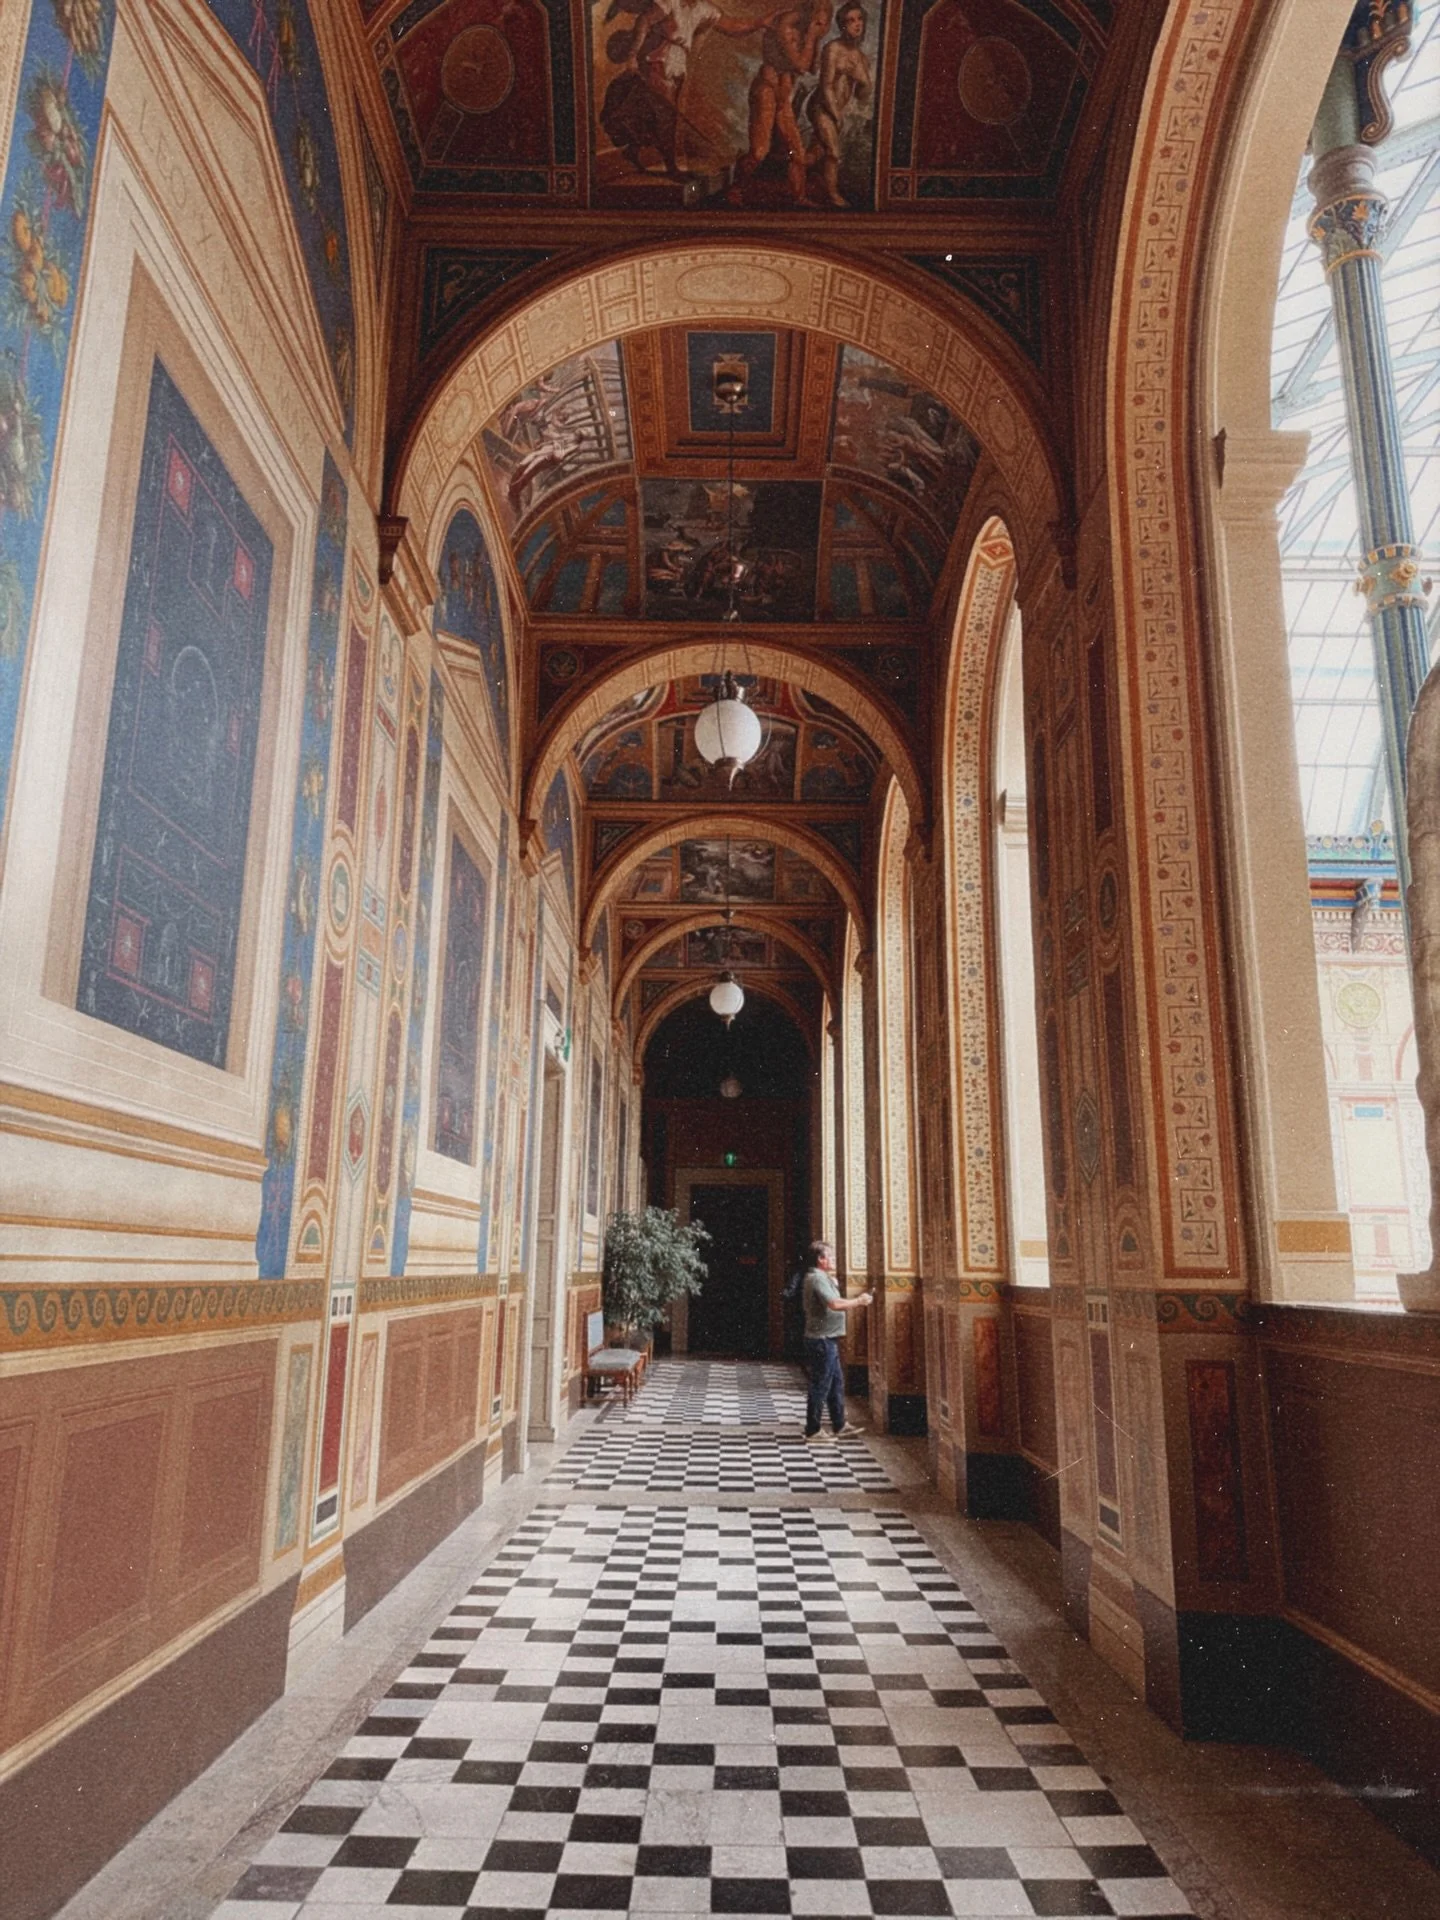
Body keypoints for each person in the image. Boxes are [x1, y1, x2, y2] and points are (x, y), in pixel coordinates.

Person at [801, 1238, 872, 1440]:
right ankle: (813, 1430)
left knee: (835, 1383)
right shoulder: (817, 1279)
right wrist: (858, 1301)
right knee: (821, 1384)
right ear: (820, 1259)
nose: (833, 1259)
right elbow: (833, 1304)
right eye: (830, 1256)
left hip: (827, 1338)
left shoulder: (822, 1278)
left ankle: (839, 1424)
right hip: (821, 1339)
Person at [806, 1, 871, 207]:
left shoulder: (861, 58)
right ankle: (832, 196)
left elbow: (862, 96)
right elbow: (825, 86)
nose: (857, 24)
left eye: (860, 19)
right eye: (851, 20)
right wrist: (835, 115)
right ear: (842, 25)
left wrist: (863, 81)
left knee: (817, 152)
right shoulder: (833, 48)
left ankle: (794, 170)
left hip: (838, 110)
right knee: (834, 152)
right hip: (822, 106)